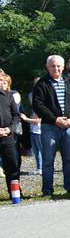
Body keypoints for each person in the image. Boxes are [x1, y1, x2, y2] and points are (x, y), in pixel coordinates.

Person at [33, 55, 70, 196]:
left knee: (69, 159)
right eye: (53, 66)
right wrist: (55, 120)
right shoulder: (42, 83)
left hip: (69, 126)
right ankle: (47, 190)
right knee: (48, 161)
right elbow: (38, 105)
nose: (56, 68)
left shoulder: (69, 82)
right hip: (50, 127)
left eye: (58, 66)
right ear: (47, 67)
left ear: (63, 67)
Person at [0, 70, 21, 198]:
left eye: (2, 80)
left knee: (12, 165)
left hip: (8, 136)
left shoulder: (9, 96)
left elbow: (16, 115)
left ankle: (15, 193)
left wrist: (10, 129)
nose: (1, 82)